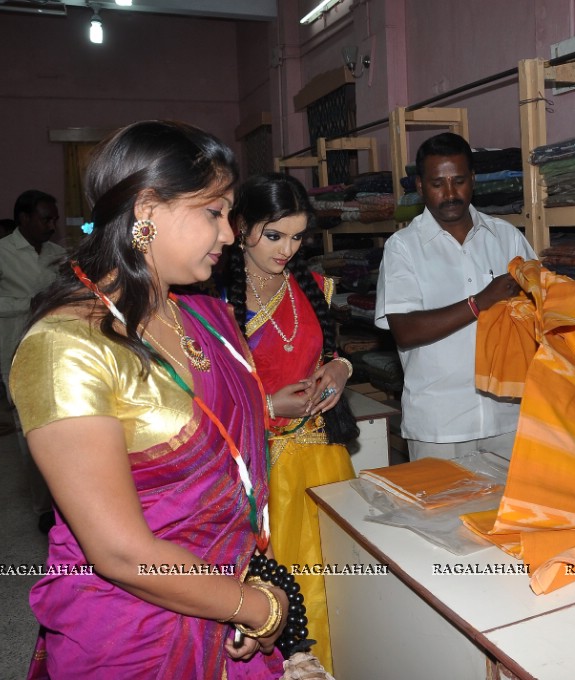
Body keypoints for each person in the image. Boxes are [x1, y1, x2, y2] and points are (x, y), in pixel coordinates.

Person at [9, 121, 291, 678]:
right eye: (214, 212)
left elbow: (214, 434)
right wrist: (256, 608)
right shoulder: (68, 347)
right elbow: (120, 553)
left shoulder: (204, 316)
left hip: (230, 580)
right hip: (138, 626)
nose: (230, 235)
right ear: (146, 209)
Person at [224, 172, 357, 675]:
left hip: (323, 456)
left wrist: (340, 369)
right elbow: (196, 404)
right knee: (287, 588)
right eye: (274, 235)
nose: (287, 249)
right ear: (240, 226)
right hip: (257, 471)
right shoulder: (209, 299)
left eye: (298, 237)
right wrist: (268, 408)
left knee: (339, 579)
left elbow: (333, 351)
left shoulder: (312, 285)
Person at [375, 132, 536, 461]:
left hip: (509, 418)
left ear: (473, 180)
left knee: (511, 513)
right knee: (442, 513)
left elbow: (541, 307)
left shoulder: (506, 237)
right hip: (439, 426)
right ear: (420, 186)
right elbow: (405, 329)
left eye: (459, 181)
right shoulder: (402, 248)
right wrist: (480, 302)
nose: (450, 194)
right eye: (437, 184)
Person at [0, 190, 65, 530]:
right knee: (32, 433)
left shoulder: (58, 254)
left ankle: (70, 503)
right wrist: (28, 302)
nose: (52, 225)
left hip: (62, 355)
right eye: (45, 218)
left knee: (67, 430)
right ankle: (44, 510)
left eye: (54, 218)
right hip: (21, 356)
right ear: (23, 218)